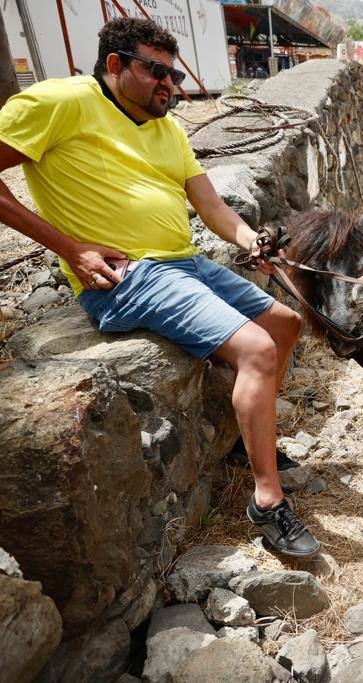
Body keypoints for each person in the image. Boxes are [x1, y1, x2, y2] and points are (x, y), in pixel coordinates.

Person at [0, 17, 319, 556]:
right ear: (115, 65)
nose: (169, 84)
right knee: (258, 351)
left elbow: (211, 205)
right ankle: (267, 500)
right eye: (156, 71)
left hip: (184, 261)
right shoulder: (60, 103)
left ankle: (249, 442)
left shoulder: (167, 127)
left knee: (285, 324)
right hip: (128, 275)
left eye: (173, 73)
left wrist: (248, 240)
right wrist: (70, 247)